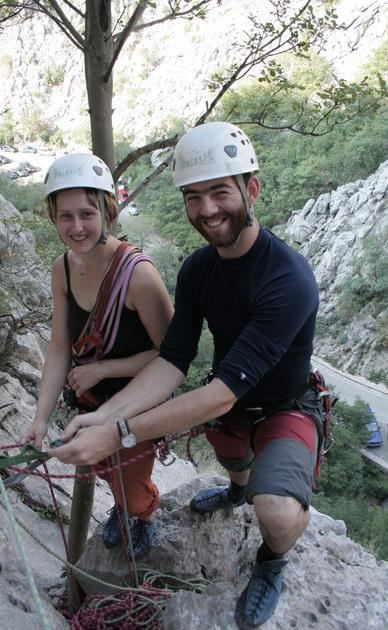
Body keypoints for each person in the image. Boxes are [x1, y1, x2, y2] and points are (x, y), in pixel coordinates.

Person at [49, 123, 322, 628]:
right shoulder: (198, 270)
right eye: (193, 197)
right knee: (233, 458)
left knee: (275, 510)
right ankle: (237, 489)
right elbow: (172, 360)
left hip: (282, 406)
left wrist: (118, 431)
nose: (207, 209)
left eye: (220, 192)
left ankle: (271, 561)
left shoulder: (287, 279)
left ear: (251, 189)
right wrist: (103, 418)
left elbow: (221, 394)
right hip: (232, 408)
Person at [24, 153, 173, 558]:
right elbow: (59, 347)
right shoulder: (62, 269)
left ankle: (143, 514)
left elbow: (173, 355)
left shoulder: (137, 275)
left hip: (138, 400)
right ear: (54, 217)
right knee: (106, 469)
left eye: (87, 214)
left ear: (107, 210)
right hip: (92, 401)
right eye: (65, 216)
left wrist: (105, 368)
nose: (76, 227)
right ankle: (123, 507)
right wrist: (40, 418)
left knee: (131, 481)